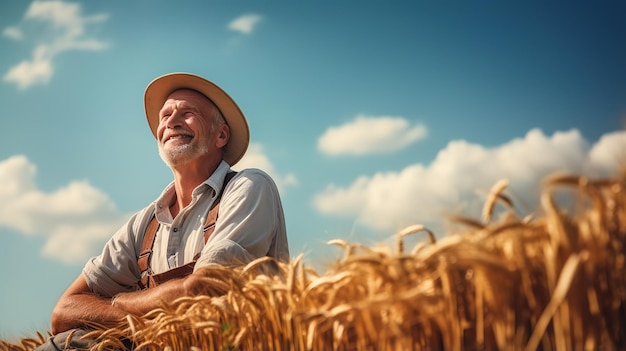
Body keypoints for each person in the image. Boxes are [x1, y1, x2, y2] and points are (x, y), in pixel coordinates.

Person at [36, 72, 289, 350]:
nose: (171, 121)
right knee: (63, 343)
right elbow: (63, 312)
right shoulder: (142, 225)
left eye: (187, 113)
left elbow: (202, 291)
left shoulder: (249, 186)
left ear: (221, 135)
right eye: (165, 115)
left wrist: (118, 302)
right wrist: (156, 308)